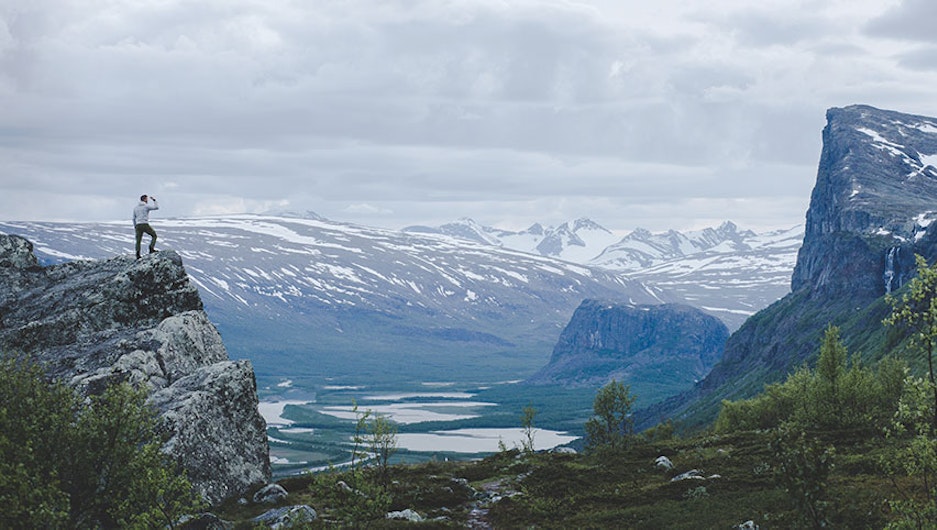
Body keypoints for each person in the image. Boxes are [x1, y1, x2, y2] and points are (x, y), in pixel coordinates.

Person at [133, 194, 159, 259]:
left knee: (138, 240)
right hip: (144, 223)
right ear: (144, 199)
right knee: (154, 235)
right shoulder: (146, 206)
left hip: (138, 224)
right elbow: (156, 207)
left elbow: (133, 218)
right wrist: (154, 200)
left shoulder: (135, 208)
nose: (147, 200)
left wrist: (135, 226)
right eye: (147, 199)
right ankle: (151, 248)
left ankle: (137, 254)